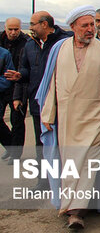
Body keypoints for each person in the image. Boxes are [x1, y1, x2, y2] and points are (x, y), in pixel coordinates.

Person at [36, 6, 100, 230]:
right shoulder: (58, 48)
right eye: (85, 25)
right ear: (72, 27)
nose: (90, 29)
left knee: (89, 164)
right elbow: (50, 84)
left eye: (92, 24)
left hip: (96, 117)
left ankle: (76, 212)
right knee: (70, 163)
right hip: (66, 117)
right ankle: (73, 204)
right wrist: (48, 113)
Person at [4, 11, 71, 190]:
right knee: (41, 143)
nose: (30, 27)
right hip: (38, 103)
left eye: (33, 24)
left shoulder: (64, 42)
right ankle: (43, 182)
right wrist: (19, 82)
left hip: (62, 102)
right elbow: (24, 69)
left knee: (63, 143)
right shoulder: (30, 45)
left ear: (44, 24)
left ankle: (66, 182)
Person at [0, 18, 28, 161]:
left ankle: (15, 155)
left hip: (19, 86)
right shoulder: (0, 39)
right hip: (2, 85)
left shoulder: (26, 42)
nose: (13, 32)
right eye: (10, 29)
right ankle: (11, 146)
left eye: (16, 29)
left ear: (20, 28)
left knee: (17, 120)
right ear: (5, 28)